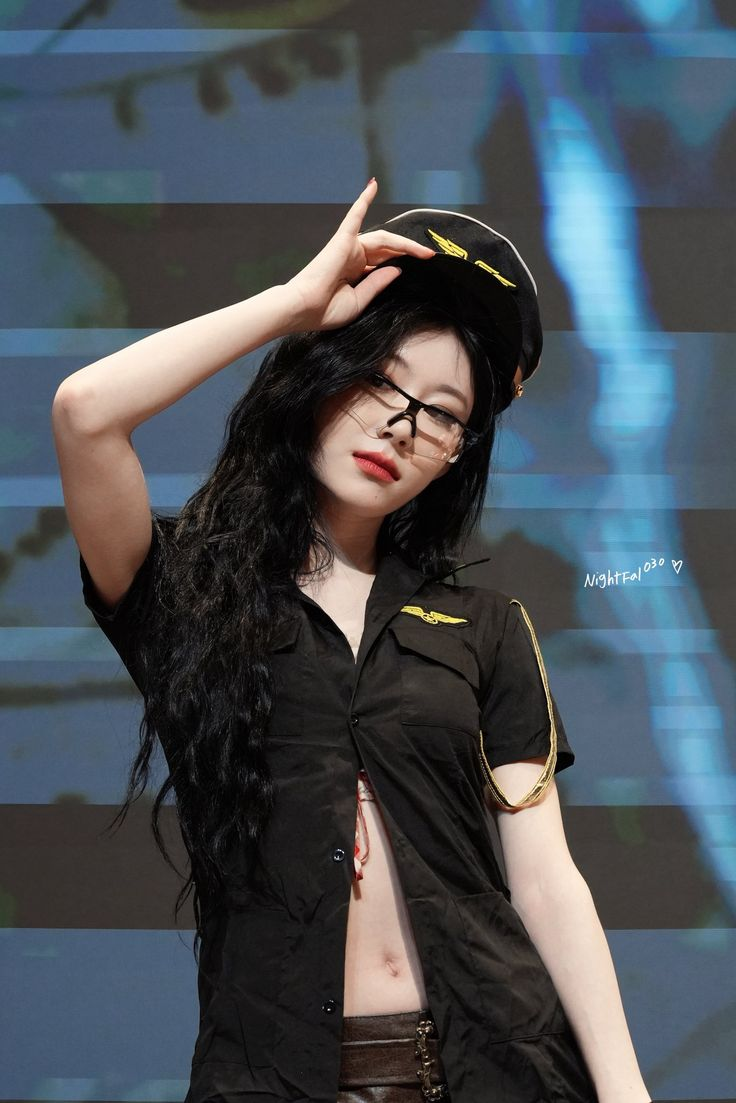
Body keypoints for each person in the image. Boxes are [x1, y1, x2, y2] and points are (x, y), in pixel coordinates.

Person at [52, 179, 652, 1103]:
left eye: (441, 412)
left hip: (498, 1070)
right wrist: (293, 306)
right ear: (320, 376)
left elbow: (545, 881)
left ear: (457, 454)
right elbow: (85, 410)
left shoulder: (486, 627)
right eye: (378, 379)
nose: (400, 425)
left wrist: (625, 1091)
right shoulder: (185, 594)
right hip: (274, 1077)